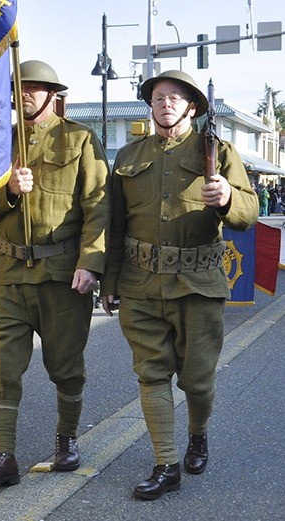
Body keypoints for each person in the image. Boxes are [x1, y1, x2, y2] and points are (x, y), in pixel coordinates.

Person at [100, 70, 259, 500]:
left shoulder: (219, 152)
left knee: (198, 380)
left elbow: (249, 210)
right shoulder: (128, 156)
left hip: (199, 285)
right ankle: (165, 462)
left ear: (192, 106)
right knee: (151, 376)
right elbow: (115, 225)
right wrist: (109, 281)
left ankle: (198, 433)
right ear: (149, 106)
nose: (165, 103)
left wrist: (227, 195)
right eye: (157, 97)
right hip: (140, 284)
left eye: (175, 97)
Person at [0, 60, 110, 487]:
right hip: (9, 271)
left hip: (62, 273)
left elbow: (98, 206)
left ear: (54, 95)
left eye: (35, 87)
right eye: (19, 86)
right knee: (3, 366)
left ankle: (66, 439)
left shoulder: (81, 139)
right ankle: (3, 454)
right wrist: (7, 191)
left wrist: (91, 262)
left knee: (65, 366)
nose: (25, 93)